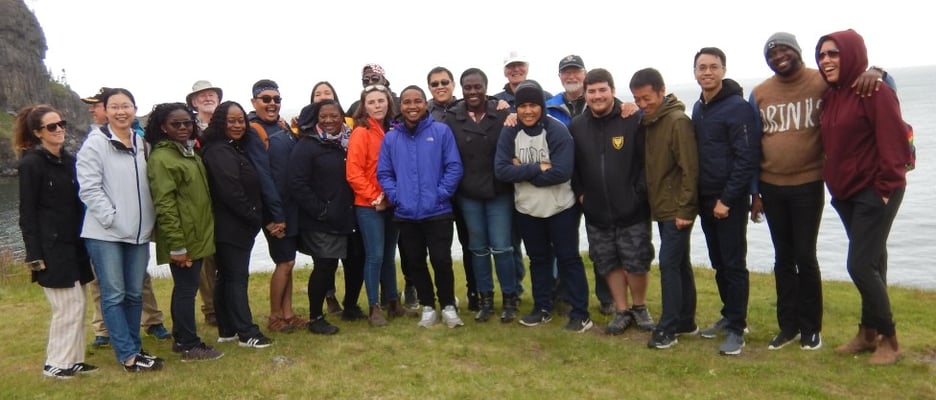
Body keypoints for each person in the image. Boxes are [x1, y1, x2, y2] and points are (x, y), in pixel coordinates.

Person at [750, 32, 889, 352]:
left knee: (805, 256)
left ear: (798, 52)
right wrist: (754, 191)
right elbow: (753, 144)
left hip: (808, 183)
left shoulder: (821, 83)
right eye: (771, 53)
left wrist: (878, 71)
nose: (778, 56)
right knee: (782, 258)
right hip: (772, 185)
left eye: (784, 50)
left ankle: (811, 328)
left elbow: (876, 87)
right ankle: (788, 326)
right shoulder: (759, 93)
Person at [816, 29, 911, 365]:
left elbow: (894, 141)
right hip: (847, 193)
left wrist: (886, 189)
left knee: (858, 264)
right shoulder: (832, 96)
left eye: (834, 53)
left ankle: (890, 340)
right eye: (822, 55)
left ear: (852, 53)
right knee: (873, 262)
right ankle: (868, 333)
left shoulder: (874, 91)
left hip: (877, 190)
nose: (826, 60)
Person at [76, 88, 164, 372]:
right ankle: (127, 355)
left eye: (126, 106)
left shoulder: (142, 143)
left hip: (138, 234)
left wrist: (146, 223)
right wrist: (112, 218)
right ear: (106, 111)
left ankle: (135, 348)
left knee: (134, 294)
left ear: (134, 109)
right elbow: (89, 188)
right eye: (114, 106)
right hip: (106, 234)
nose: (121, 111)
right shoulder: (95, 144)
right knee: (114, 294)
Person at [494, 80, 592, 333]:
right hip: (527, 208)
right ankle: (542, 308)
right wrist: (538, 167)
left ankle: (581, 313)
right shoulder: (510, 131)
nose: (528, 111)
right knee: (538, 260)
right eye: (523, 105)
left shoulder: (557, 130)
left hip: (561, 207)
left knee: (569, 258)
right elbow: (501, 170)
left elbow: (561, 172)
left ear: (542, 106)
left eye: (533, 105)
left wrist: (521, 171)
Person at [570, 68, 654, 336]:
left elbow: (646, 161)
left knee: (637, 261)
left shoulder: (632, 119)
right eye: (591, 91)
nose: (597, 96)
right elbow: (574, 168)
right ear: (585, 94)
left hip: (632, 208)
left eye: (602, 90)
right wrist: (582, 194)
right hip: (596, 211)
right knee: (608, 262)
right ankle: (621, 309)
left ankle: (639, 307)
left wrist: (638, 193)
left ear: (613, 91)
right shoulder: (577, 127)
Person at [15, 104, 96, 378]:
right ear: (38, 133)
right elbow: (27, 213)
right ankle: (55, 363)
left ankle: (74, 359)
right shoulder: (31, 164)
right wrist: (33, 254)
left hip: (75, 245)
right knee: (66, 307)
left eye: (61, 124)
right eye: (52, 126)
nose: (59, 129)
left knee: (80, 304)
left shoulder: (69, 161)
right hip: (51, 248)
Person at [691, 48, 761, 356]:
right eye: (702, 67)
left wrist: (728, 199)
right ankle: (728, 314)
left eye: (713, 67)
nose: (707, 72)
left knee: (733, 263)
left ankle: (737, 328)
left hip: (727, 200)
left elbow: (746, 158)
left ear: (723, 70)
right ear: (695, 72)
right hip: (705, 198)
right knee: (719, 261)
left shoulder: (738, 108)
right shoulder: (699, 107)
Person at [378, 85, 465, 328]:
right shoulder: (391, 137)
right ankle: (428, 305)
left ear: (425, 104)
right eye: (407, 102)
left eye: (417, 101)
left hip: (437, 211)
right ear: (400, 106)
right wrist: (397, 196)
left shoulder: (441, 131)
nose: (412, 106)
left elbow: (454, 166)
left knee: (441, 260)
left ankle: (448, 305)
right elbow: (384, 173)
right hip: (405, 214)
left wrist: (441, 194)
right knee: (415, 262)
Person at [144, 102, 224, 362]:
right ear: (163, 127)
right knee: (186, 290)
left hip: (197, 233)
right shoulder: (162, 158)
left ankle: (181, 339)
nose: (182, 128)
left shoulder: (186, 153)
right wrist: (177, 245)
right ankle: (189, 344)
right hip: (183, 237)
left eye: (186, 123)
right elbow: (165, 204)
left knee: (185, 287)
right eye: (175, 124)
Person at [629, 68, 700, 349]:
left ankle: (667, 328)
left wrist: (686, 210)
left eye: (647, 98)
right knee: (681, 264)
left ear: (662, 91)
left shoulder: (677, 121)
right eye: (637, 99)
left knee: (669, 265)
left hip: (677, 208)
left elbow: (690, 169)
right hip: (661, 205)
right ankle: (686, 321)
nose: (643, 104)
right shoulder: (650, 121)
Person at [442, 68, 519, 323]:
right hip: (468, 192)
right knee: (478, 248)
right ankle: (485, 299)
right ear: (462, 89)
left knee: (502, 247)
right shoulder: (452, 117)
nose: (473, 92)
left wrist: (513, 113)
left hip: (498, 190)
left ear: (486, 88)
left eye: (478, 87)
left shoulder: (502, 111)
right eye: (468, 87)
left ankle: (510, 298)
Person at [201, 101, 273, 349]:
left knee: (226, 276)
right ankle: (247, 332)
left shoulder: (232, 148)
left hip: (235, 225)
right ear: (220, 122)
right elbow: (230, 191)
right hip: (231, 224)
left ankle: (227, 328)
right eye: (231, 120)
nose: (237, 125)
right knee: (237, 279)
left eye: (241, 120)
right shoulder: (219, 151)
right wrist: (255, 215)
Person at [289, 100, 357, 335]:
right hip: (320, 219)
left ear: (342, 117)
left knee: (350, 263)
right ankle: (316, 317)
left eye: (334, 116)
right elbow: (296, 183)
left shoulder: (349, 142)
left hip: (347, 216)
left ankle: (351, 307)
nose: (329, 120)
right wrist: (321, 210)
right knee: (324, 266)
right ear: (316, 118)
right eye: (323, 116)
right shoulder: (307, 145)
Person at [346, 84, 408, 326]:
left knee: (388, 255)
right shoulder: (361, 132)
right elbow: (354, 172)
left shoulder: (395, 129)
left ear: (388, 102)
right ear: (365, 106)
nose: (377, 106)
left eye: (381, 101)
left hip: (392, 201)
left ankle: (392, 302)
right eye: (371, 102)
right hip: (368, 204)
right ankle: (374, 307)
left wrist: (392, 197)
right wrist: (375, 198)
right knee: (375, 255)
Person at [246, 79, 305, 332]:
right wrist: (274, 215)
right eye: (266, 99)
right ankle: (274, 316)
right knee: (284, 262)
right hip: (274, 209)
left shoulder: (281, 127)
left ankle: (288, 314)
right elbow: (262, 177)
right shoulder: (254, 132)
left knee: (288, 262)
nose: (272, 104)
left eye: (276, 99)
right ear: (254, 102)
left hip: (291, 206)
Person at [185, 80, 222, 327]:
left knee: (227, 257)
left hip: (225, 200)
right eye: (202, 95)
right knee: (205, 259)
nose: (208, 98)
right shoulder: (187, 129)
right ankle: (210, 309)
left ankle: (228, 304)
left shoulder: (227, 125)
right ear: (194, 102)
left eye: (211, 94)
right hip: (199, 201)